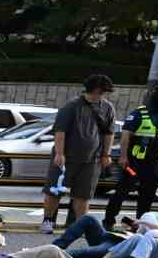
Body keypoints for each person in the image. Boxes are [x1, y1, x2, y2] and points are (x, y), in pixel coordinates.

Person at [41, 75, 115, 233]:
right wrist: (59, 153)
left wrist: (106, 154)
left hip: (92, 159)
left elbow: (109, 133)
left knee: (83, 194)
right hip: (67, 157)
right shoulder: (72, 106)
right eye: (102, 91)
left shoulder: (107, 107)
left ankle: (80, 225)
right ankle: (48, 220)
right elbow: (60, 131)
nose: (103, 95)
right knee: (55, 190)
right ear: (94, 89)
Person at [104, 83, 158, 226]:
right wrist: (123, 156)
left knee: (148, 194)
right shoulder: (140, 113)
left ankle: (142, 223)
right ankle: (108, 220)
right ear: (153, 94)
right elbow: (126, 135)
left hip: (156, 161)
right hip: (134, 162)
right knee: (122, 190)